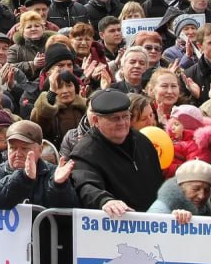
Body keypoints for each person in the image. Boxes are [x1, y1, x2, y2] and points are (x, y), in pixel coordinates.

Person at [69, 88, 164, 217]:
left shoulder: (142, 141)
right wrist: (105, 201)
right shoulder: (85, 152)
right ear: (96, 121)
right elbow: (86, 185)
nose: (122, 123)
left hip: (152, 221)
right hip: (115, 223)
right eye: (115, 119)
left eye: (125, 117)